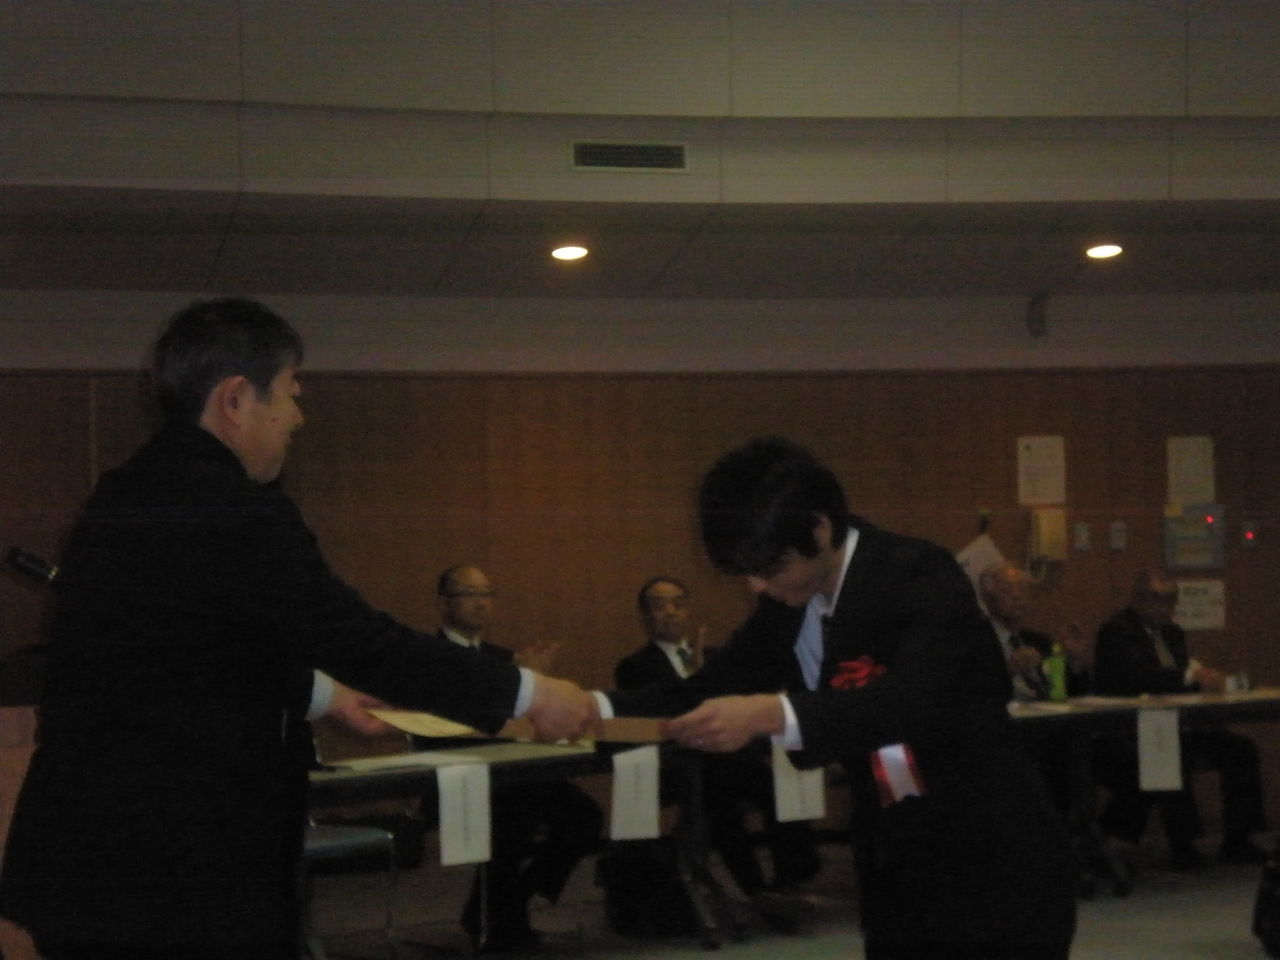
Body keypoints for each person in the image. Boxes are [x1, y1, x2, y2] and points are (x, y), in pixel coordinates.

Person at [0, 298, 600, 960]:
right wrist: (527, 693)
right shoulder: (232, 505)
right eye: (290, 392)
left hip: (91, 847)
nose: (298, 416)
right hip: (180, 859)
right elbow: (357, 637)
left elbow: (188, 650)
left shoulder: (125, 491)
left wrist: (324, 696)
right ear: (235, 399)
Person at [604, 437, 1078, 960]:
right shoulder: (789, 600)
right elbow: (705, 688)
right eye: (748, 572)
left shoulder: (919, 572)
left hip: (990, 848)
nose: (757, 586)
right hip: (894, 857)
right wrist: (595, 710)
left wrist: (771, 713)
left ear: (819, 528)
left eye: (770, 566)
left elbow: (908, 702)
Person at [423, 565, 603, 953]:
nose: (480, 603)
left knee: (585, 817)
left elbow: (527, 725)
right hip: (456, 772)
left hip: (512, 773)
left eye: (487, 594)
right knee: (514, 816)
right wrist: (516, 681)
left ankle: (507, 903)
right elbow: (452, 724)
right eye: (469, 594)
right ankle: (501, 918)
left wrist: (535, 687)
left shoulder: (503, 658)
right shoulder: (429, 657)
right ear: (444, 604)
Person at [615, 575, 820, 895]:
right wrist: (696, 681)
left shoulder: (715, 658)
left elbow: (736, 702)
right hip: (682, 761)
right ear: (645, 616)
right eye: (659, 605)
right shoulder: (634, 666)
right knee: (721, 805)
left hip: (732, 756)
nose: (670, 612)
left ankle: (791, 875)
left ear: (688, 611)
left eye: (678, 604)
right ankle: (755, 890)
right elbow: (660, 716)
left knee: (782, 785)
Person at [1092, 567, 1266, 869]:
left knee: (1241, 750)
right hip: (1132, 731)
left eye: (1170, 600)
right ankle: (1184, 845)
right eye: (1156, 599)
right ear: (1138, 599)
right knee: (1171, 753)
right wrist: (1191, 678)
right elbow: (1139, 677)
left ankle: (1239, 840)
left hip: (1179, 724)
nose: (1164, 607)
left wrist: (1207, 680)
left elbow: (1182, 676)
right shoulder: (1117, 631)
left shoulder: (1172, 633)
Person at [977, 560, 1092, 703]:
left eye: (1022, 589)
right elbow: (968, 692)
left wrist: (1075, 660)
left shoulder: (1039, 642)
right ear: (987, 598)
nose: (1017, 596)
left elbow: (1074, 695)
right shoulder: (975, 640)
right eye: (1007, 589)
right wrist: (1009, 670)